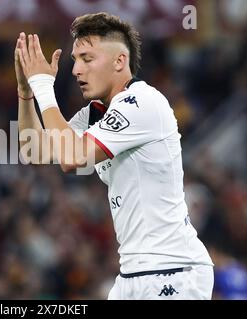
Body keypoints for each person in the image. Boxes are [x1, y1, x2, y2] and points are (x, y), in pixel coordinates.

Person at [15, 12, 214, 300]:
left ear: (119, 61)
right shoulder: (96, 112)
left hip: (173, 272)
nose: (76, 70)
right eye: (75, 59)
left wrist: (45, 88)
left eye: (87, 58)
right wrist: (26, 92)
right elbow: (35, 151)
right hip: (130, 277)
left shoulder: (143, 102)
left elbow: (72, 158)